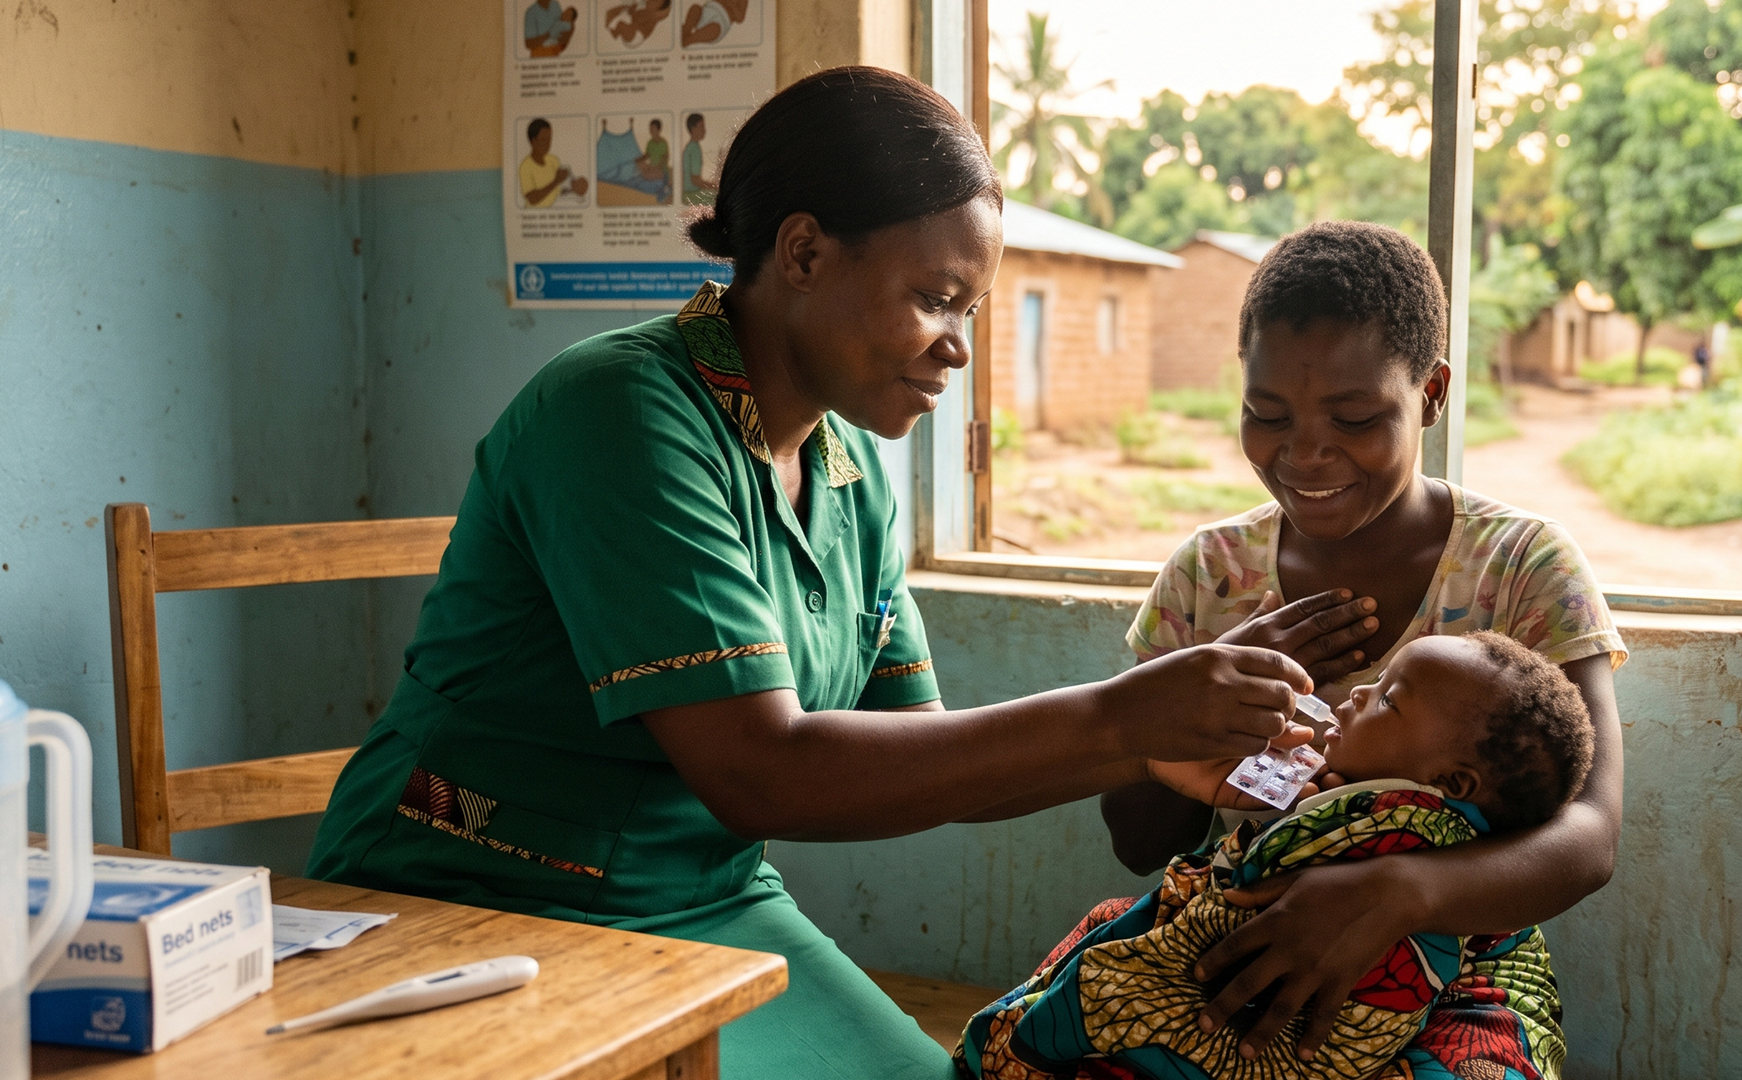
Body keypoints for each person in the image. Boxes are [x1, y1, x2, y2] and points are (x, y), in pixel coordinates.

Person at [309, 67, 1322, 1080]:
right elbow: (761, 772)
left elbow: (921, 759)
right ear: (802, 253)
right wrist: (1119, 720)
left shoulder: (847, 472)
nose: (959, 349)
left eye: (972, 310)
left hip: (705, 904)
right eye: (935, 299)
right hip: (473, 899)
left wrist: (1150, 754)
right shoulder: (620, 412)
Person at [1100, 221, 1627, 1079]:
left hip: (1461, 973)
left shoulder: (1523, 565)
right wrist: (1201, 703)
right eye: (1266, 415)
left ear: (1431, 394)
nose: (1305, 453)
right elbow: (1136, 840)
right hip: (1244, 950)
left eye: (1354, 417)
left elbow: (1589, 837)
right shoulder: (1210, 575)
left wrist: (1396, 893)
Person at [961, 633, 1595, 1079]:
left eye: (1387, 699)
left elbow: (1244, 901)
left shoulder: (1402, 825)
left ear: (1452, 785)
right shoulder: (1344, 804)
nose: (1357, 694)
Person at [520, 119, 587, 208]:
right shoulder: (526, 167)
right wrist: (555, 181)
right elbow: (532, 199)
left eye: (549, 139)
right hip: (535, 216)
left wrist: (573, 189)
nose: (548, 144)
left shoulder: (553, 160)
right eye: (544, 139)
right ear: (533, 141)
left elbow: (560, 188)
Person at [683, 113, 718, 205]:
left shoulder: (690, 147)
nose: (704, 130)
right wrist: (715, 187)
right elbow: (695, 181)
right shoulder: (694, 148)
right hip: (692, 195)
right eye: (701, 126)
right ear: (693, 129)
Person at [683, 0, 750, 47]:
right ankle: (685, 30)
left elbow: (740, 19)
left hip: (721, 20)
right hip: (707, 10)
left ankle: (690, 40)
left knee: (714, 28)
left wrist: (732, 6)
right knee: (695, 8)